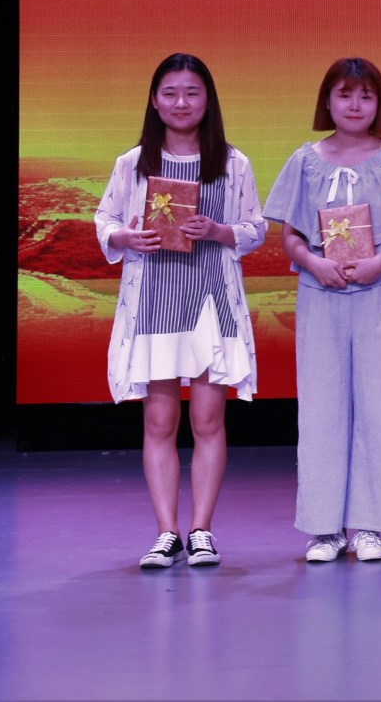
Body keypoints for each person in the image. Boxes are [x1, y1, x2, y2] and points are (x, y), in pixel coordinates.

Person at [95, 53, 267, 570]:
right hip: (154, 302)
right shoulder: (133, 163)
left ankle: (202, 531)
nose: (181, 102)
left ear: (207, 100)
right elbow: (105, 219)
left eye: (192, 92)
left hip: (210, 301)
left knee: (208, 419)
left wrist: (218, 231)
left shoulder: (232, 163)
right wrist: (125, 237)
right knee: (159, 420)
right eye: (170, 93)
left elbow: (255, 228)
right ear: (154, 100)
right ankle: (166, 532)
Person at [263, 58, 381, 565]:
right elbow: (290, 235)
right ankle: (324, 528)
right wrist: (315, 262)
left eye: (366, 96)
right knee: (322, 406)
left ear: (379, 103)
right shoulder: (304, 160)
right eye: (344, 94)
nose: (355, 105)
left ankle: (371, 525)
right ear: (328, 101)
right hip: (321, 294)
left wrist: (379, 262)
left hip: (379, 290)